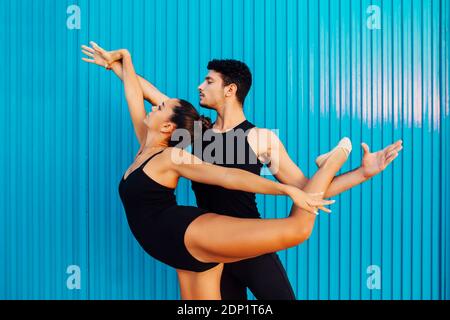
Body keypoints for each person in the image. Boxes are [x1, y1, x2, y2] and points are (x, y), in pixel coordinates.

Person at [81, 42, 403, 300]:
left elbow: (307, 191)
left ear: (230, 89)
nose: (200, 86)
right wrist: (117, 67)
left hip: (247, 241)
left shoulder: (260, 138)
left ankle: (331, 161)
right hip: (208, 244)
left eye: (209, 81)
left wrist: (363, 173)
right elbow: (150, 98)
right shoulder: (194, 133)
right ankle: (330, 161)